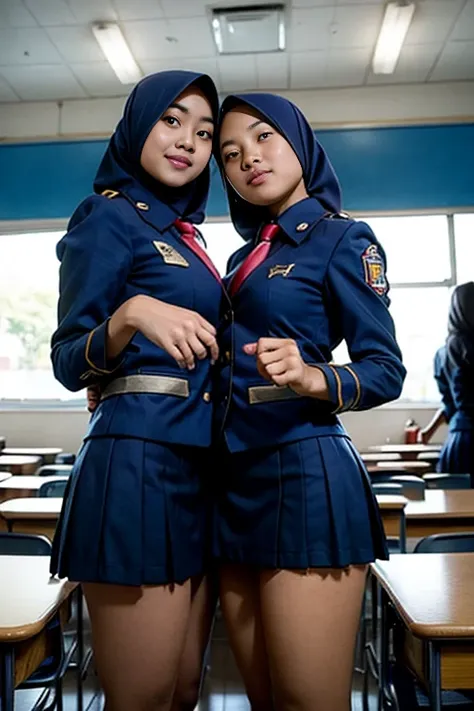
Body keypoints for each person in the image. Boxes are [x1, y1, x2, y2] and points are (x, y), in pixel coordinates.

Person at [213, 93, 406, 711]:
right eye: (231, 154)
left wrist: (313, 375)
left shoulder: (343, 239)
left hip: (305, 471)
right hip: (231, 478)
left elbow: (385, 368)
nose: (250, 159)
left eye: (265, 138)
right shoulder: (242, 258)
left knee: (309, 698)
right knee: (262, 696)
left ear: (300, 143)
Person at [50, 70, 223, 711]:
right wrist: (130, 315)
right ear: (136, 126)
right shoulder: (108, 215)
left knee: (182, 689)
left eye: (204, 133)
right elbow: (68, 360)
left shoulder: (188, 237)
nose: (188, 142)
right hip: (136, 465)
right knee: (143, 695)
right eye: (171, 121)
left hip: (201, 466)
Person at [419, 282, 474, 484]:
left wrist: (429, 431)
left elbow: (449, 405)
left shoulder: (442, 354)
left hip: (458, 442)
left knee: (456, 509)